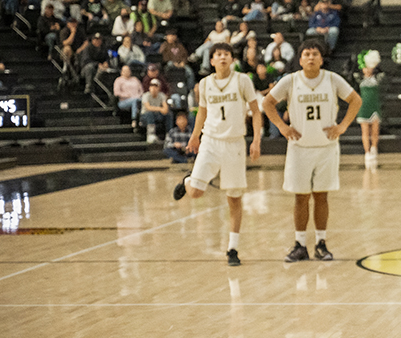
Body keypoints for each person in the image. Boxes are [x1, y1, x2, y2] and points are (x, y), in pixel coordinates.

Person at [262, 39, 362, 263]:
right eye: (306, 54)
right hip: (299, 148)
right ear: (300, 59)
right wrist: (282, 126)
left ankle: (321, 243)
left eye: (315, 54)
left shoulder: (332, 79)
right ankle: (299, 244)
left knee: (321, 197)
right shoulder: (290, 81)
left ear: (321, 58)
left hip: (326, 148)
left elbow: (355, 100)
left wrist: (343, 126)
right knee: (300, 198)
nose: (310, 57)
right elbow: (267, 103)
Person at [172, 43, 263, 265]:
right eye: (218, 55)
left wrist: (257, 140)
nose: (222, 57)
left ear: (232, 59)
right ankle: (187, 181)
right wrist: (195, 136)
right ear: (211, 60)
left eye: (226, 54)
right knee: (195, 193)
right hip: (211, 142)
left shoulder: (242, 81)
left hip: (234, 144)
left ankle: (232, 249)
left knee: (234, 199)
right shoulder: (204, 84)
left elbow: (256, 111)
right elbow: (202, 111)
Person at [357, 52, 382, 169]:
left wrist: (375, 63)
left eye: (369, 68)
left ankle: (374, 148)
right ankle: (366, 152)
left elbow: (384, 73)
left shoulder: (377, 79)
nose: (367, 70)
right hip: (363, 107)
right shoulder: (358, 79)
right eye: (365, 68)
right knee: (365, 131)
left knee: (375, 130)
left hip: (374, 106)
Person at [140, 78, 172, 142]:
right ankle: (150, 134)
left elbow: (165, 109)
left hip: (157, 114)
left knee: (169, 114)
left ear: (159, 88)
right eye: (151, 86)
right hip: (145, 115)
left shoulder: (162, 95)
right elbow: (148, 108)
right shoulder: (145, 95)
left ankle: (169, 134)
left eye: (155, 86)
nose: (153, 88)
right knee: (149, 114)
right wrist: (160, 109)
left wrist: (162, 110)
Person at [113, 64, 144, 130]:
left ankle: (143, 120)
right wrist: (126, 95)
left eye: (128, 70)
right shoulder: (118, 80)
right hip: (124, 101)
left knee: (142, 101)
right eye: (125, 71)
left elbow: (141, 90)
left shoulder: (135, 79)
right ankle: (134, 119)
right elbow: (116, 93)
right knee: (134, 101)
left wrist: (139, 95)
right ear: (121, 72)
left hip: (137, 98)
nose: (127, 72)